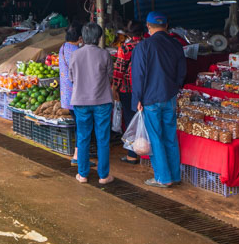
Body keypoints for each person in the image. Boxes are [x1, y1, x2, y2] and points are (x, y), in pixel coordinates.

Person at [131, 11, 187, 188]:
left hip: (150, 98)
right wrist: (175, 87)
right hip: (169, 97)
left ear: (148, 27)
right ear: (167, 26)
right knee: (170, 136)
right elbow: (182, 72)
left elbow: (138, 75)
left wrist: (137, 98)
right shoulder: (176, 45)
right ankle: (175, 175)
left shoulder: (143, 46)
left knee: (155, 138)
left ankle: (163, 178)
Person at [68, 23, 115, 185]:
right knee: (103, 138)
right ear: (98, 37)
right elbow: (110, 76)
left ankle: (83, 175)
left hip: (80, 102)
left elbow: (72, 78)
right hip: (102, 101)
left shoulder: (75, 55)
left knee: (83, 137)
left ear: (84, 37)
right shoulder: (105, 55)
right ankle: (103, 176)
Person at [112, 23, 145, 165]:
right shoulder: (146, 46)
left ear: (128, 35)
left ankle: (132, 154)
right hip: (145, 89)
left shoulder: (125, 48)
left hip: (127, 89)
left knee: (131, 120)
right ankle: (145, 152)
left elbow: (118, 71)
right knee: (144, 120)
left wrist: (114, 88)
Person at [58, 23, 82, 166]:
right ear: (80, 38)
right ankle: (77, 156)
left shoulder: (63, 48)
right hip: (78, 96)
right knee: (82, 127)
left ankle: (78, 154)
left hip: (67, 96)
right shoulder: (76, 52)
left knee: (79, 125)